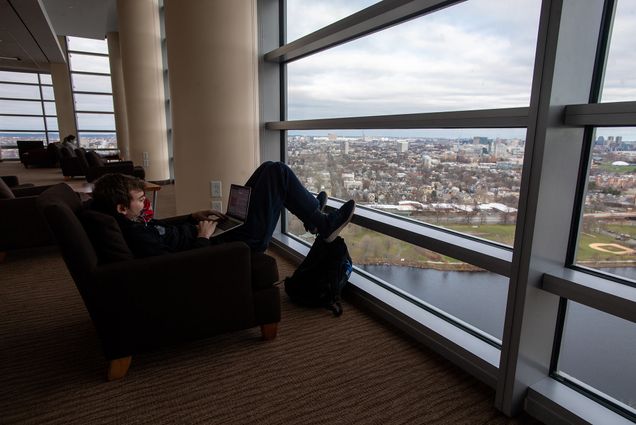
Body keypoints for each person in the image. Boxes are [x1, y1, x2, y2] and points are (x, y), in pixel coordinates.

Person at [90, 161, 355, 258]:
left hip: (219, 234)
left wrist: (194, 218)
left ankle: (311, 214)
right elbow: (181, 265)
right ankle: (319, 222)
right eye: (139, 199)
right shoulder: (136, 236)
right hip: (233, 245)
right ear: (122, 207)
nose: (145, 203)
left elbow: (162, 230)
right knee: (278, 173)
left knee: (267, 169)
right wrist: (203, 237)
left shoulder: (131, 223)